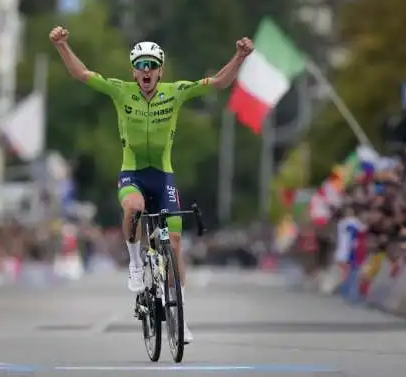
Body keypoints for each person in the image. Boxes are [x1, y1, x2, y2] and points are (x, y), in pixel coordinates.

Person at [49, 25, 254, 343]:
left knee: (173, 242)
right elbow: (82, 74)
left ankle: (180, 316)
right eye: (141, 65)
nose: (146, 70)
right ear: (134, 72)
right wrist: (62, 46)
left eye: (152, 65)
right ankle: (134, 263)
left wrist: (239, 57)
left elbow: (218, 83)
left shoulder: (176, 91)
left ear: (160, 71)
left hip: (162, 175)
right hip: (132, 172)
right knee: (134, 207)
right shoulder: (120, 90)